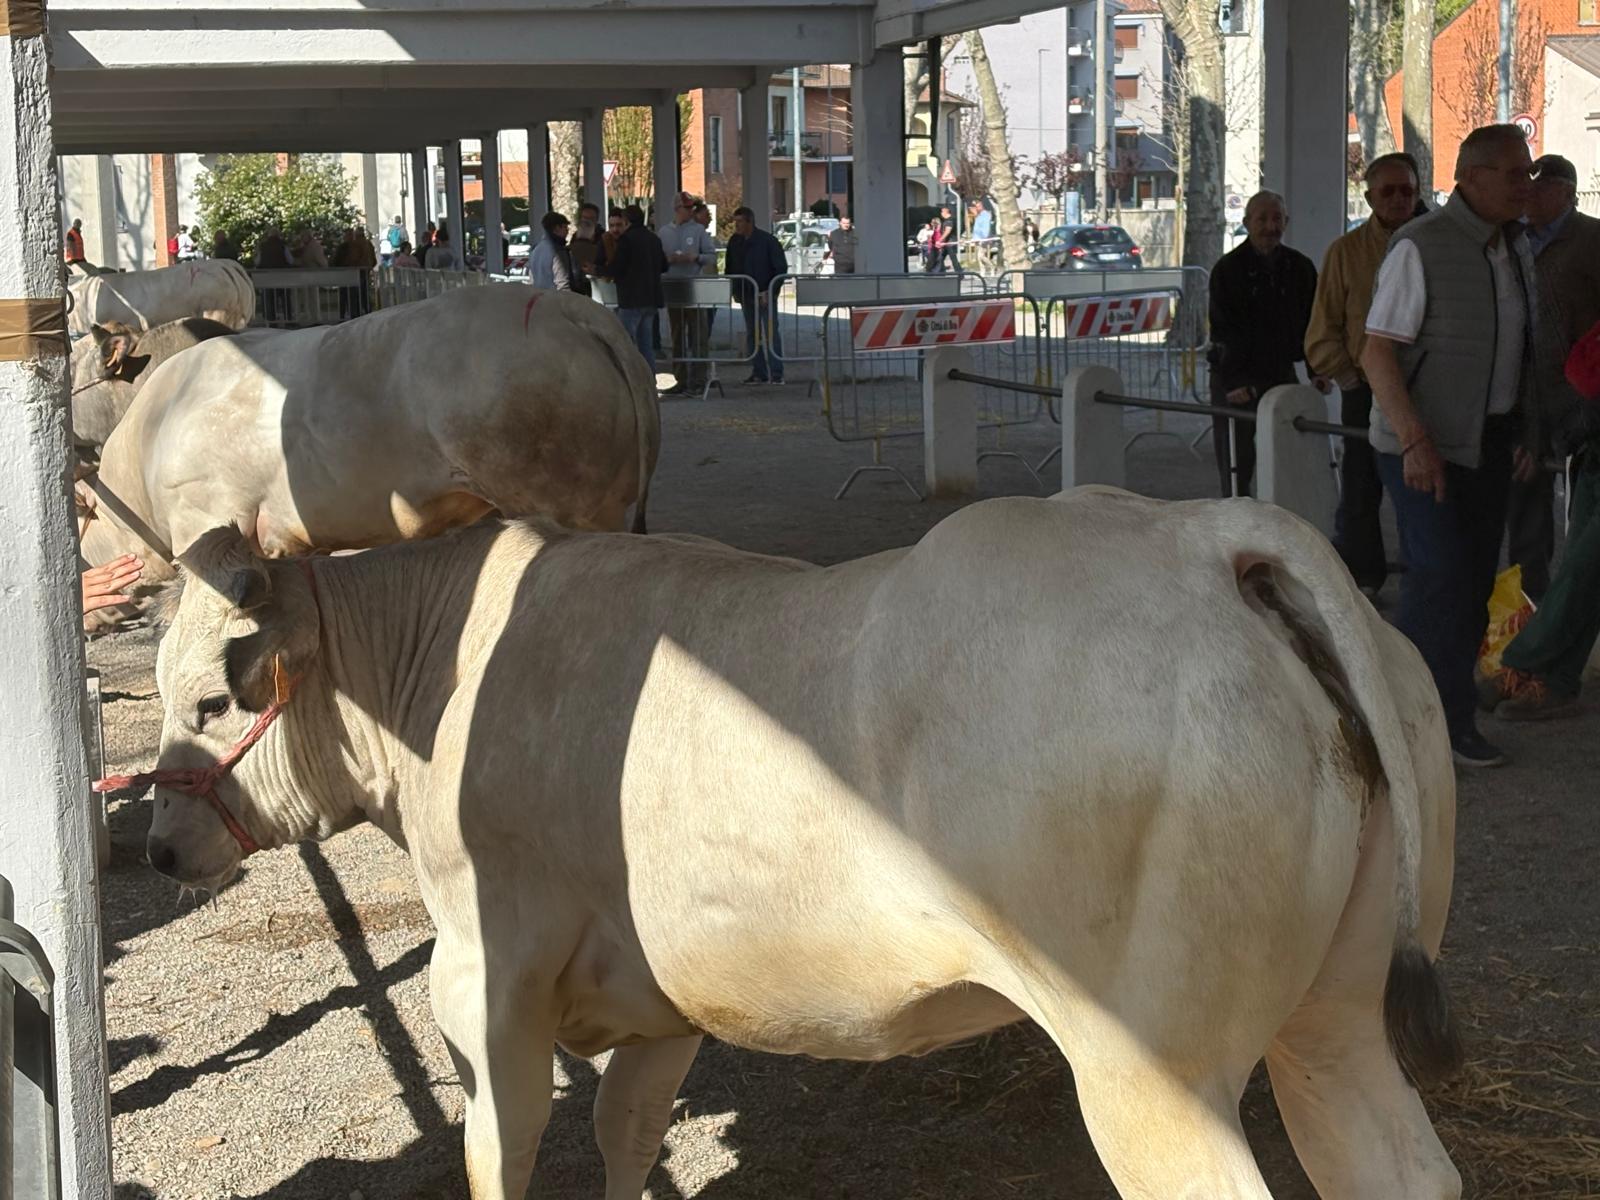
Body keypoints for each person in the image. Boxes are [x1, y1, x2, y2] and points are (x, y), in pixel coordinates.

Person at [1361, 123, 1552, 767]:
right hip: (1422, 445)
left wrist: (1527, 432)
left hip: (1488, 443)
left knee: (1470, 585)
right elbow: (1377, 353)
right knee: (1438, 579)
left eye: (1529, 173)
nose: (1526, 185)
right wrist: (1414, 440)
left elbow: (1522, 351)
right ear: (1470, 178)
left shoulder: (1515, 247)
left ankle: (1450, 719)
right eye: (1514, 174)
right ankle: (1409, 727)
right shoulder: (1421, 246)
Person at [1305, 152, 1422, 598]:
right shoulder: (1346, 252)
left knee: (1424, 492)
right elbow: (1322, 329)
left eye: (1406, 190)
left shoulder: (1436, 244)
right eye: (1387, 191)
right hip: (1366, 391)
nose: (1398, 199)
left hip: (1426, 392)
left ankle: (1423, 582)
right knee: (1360, 491)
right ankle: (1364, 582)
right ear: (1370, 197)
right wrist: (1349, 378)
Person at [1501, 153, 1600, 601]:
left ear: (1565, 191)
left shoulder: (1592, 239)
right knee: (1526, 504)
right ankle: (1529, 603)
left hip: (1583, 397)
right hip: (1527, 395)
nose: (1529, 193)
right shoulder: (1513, 241)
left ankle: (1577, 604)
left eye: (1539, 185)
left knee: (1583, 506)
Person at [1206, 190, 1322, 497]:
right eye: (1262, 219)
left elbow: (1313, 324)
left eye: (1277, 219)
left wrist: (1317, 370)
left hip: (1279, 372)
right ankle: (1237, 519)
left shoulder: (1301, 268)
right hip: (1235, 375)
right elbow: (1223, 330)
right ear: (1246, 223)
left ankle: (1285, 515)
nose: (1271, 227)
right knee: (1237, 463)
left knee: (1289, 452)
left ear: (1286, 222)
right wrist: (1234, 381)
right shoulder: (1227, 270)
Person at [595, 204, 668, 373]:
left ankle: (630, 378)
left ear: (626, 221)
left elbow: (617, 267)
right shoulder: (654, 239)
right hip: (651, 298)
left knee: (624, 343)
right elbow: (664, 266)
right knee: (646, 345)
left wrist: (598, 270)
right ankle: (649, 379)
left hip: (631, 298)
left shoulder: (626, 240)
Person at [660, 193, 718, 395]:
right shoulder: (664, 232)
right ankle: (681, 378)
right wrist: (667, 260)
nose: (691, 211)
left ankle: (699, 379)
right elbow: (657, 259)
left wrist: (696, 257)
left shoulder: (698, 230)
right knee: (677, 336)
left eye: (692, 207)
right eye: (687, 208)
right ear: (677, 209)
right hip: (673, 288)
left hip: (695, 289)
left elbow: (711, 256)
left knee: (698, 334)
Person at [724, 206, 787, 385]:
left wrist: (770, 291)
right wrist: (735, 290)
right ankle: (759, 372)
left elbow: (780, 268)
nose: (736, 225)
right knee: (752, 333)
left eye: (740, 222)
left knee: (771, 333)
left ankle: (777, 373)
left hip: (765, 294)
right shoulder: (734, 242)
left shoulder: (767, 241)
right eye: (735, 222)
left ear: (749, 222)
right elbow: (730, 267)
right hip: (746, 294)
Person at [528, 211, 587, 295]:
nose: (567, 230)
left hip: (540, 299)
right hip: (555, 299)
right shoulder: (558, 251)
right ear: (556, 228)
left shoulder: (535, 250)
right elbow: (563, 284)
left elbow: (532, 281)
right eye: (565, 227)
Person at [569, 202, 605, 275]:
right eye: (585, 218)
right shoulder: (575, 236)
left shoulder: (604, 237)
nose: (588, 221)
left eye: (591, 218)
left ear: (596, 220)